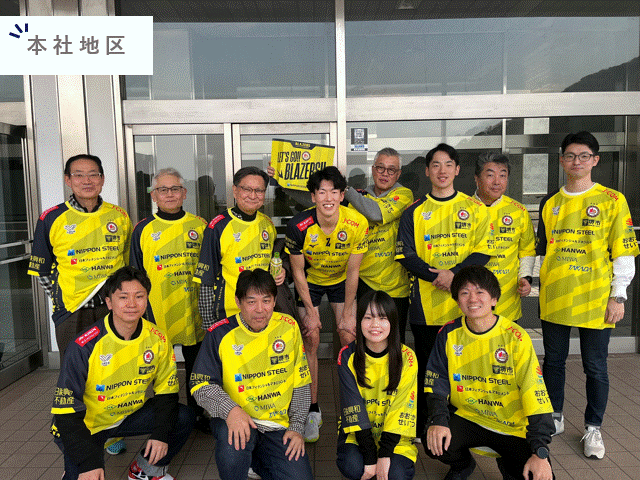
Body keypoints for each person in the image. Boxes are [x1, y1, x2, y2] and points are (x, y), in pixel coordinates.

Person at [536, 131, 639, 459]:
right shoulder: (550, 202)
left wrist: (618, 296)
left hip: (596, 298)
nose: (576, 161)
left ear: (595, 160)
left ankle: (593, 427)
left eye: (583, 156)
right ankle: (555, 416)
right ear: (561, 160)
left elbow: (623, 251)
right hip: (556, 295)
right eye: (570, 156)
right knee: (553, 361)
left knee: (595, 366)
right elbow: (543, 250)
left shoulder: (612, 200)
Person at [50, 266, 195, 480]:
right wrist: (87, 462)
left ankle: (144, 470)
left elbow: (167, 393)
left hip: (127, 416)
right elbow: (66, 411)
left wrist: (161, 434)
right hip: (87, 426)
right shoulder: (84, 345)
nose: (131, 304)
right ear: (109, 302)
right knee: (84, 472)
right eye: (123, 297)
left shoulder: (158, 338)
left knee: (183, 417)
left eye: (139, 296)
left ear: (147, 299)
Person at [395, 143, 492, 437]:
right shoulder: (413, 211)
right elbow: (405, 254)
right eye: (436, 165)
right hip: (425, 307)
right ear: (427, 171)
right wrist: (438, 276)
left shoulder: (475, 208)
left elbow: (483, 251)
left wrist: (454, 275)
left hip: (465, 306)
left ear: (457, 170)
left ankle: (463, 424)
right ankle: (426, 424)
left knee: (464, 366)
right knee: (428, 368)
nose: (442, 170)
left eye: (448, 164)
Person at [424, 265, 554, 480]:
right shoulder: (449, 333)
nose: (472, 299)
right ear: (457, 301)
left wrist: (540, 450)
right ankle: (462, 466)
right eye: (464, 293)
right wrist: (438, 420)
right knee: (434, 441)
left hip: (511, 426)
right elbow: (437, 381)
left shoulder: (515, 337)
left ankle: (508, 463)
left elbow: (534, 391)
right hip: (469, 416)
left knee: (537, 475)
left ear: (494, 299)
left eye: (480, 292)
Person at [190, 268, 313, 480]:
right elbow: (200, 386)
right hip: (237, 420)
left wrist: (297, 426)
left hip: (276, 425)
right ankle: (243, 462)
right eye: (251, 301)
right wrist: (231, 410)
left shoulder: (289, 327)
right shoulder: (219, 334)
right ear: (238, 302)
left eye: (266, 301)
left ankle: (256, 460)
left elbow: (300, 382)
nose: (260, 309)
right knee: (232, 451)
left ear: (274, 301)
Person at [285, 166, 369, 442]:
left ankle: (352, 407)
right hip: (310, 280)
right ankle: (312, 409)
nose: (328, 198)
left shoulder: (357, 222)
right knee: (311, 336)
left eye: (334, 191)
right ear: (313, 197)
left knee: (348, 335)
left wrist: (347, 314)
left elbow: (354, 272)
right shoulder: (298, 225)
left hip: (341, 279)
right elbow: (297, 272)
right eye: (322, 192)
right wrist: (311, 312)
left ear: (342, 195)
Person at [28, 154, 132, 361]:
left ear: (102, 179)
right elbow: (42, 270)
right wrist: (61, 298)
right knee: (74, 367)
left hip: (113, 308)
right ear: (68, 180)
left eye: (93, 174)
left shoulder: (119, 215)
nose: (87, 181)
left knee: (117, 365)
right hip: (72, 311)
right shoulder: (51, 218)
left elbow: (128, 263)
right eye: (79, 175)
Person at [130, 168, 209, 432]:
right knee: (163, 369)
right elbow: (135, 274)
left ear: (184, 193)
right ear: (154, 196)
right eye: (163, 189)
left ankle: (197, 415)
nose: (170, 194)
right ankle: (168, 418)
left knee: (197, 368)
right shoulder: (142, 229)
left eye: (175, 188)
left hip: (194, 310)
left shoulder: (200, 226)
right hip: (158, 311)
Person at [337, 290, 418, 480]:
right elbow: (353, 407)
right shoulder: (347, 356)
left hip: (395, 436)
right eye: (368, 318)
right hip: (358, 434)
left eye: (382, 318)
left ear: (393, 322)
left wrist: (384, 454)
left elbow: (401, 409)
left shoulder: (407, 357)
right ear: (359, 321)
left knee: (396, 474)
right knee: (353, 466)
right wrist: (370, 456)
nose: (375, 325)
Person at [194, 166, 283, 329]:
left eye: (259, 190)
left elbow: (274, 261)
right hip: (229, 314)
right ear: (235, 190)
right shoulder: (218, 226)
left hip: (263, 313)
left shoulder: (268, 224)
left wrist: (280, 271)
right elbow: (206, 279)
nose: (253, 196)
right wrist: (208, 323)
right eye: (247, 189)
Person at [344, 147, 414, 343]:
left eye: (391, 170)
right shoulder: (359, 197)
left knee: (393, 344)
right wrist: (283, 181)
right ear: (373, 170)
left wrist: (345, 190)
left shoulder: (403, 194)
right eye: (380, 168)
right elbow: (318, 201)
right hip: (362, 282)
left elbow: (375, 213)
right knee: (364, 342)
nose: (385, 174)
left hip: (394, 286)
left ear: (398, 174)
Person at [474, 152, 536, 322]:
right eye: (490, 175)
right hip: (470, 297)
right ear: (477, 178)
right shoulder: (462, 209)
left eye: (503, 175)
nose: (497, 182)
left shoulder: (518, 211)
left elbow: (527, 250)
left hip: (507, 298)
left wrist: (525, 277)